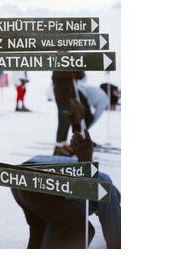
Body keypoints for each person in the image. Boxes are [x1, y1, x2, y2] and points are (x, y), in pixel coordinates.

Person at [11, 100, 121, 248]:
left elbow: (79, 144)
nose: (96, 214)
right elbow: (115, 233)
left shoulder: (89, 185)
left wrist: (76, 124)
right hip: (39, 184)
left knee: (42, 230)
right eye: (98, 212)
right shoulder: (107, 189)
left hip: (21, 178)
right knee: (81, 231)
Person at [52, 69, 85, 148]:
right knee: (63, 120)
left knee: (73, 119)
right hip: (62, 95)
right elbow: (58, 74)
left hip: (72, 95)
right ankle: (60, 144)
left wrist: (78, 70)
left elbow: (81, 76)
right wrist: (71, 72)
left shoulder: (73, 64)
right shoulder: (58, 64)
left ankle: (71, 142)